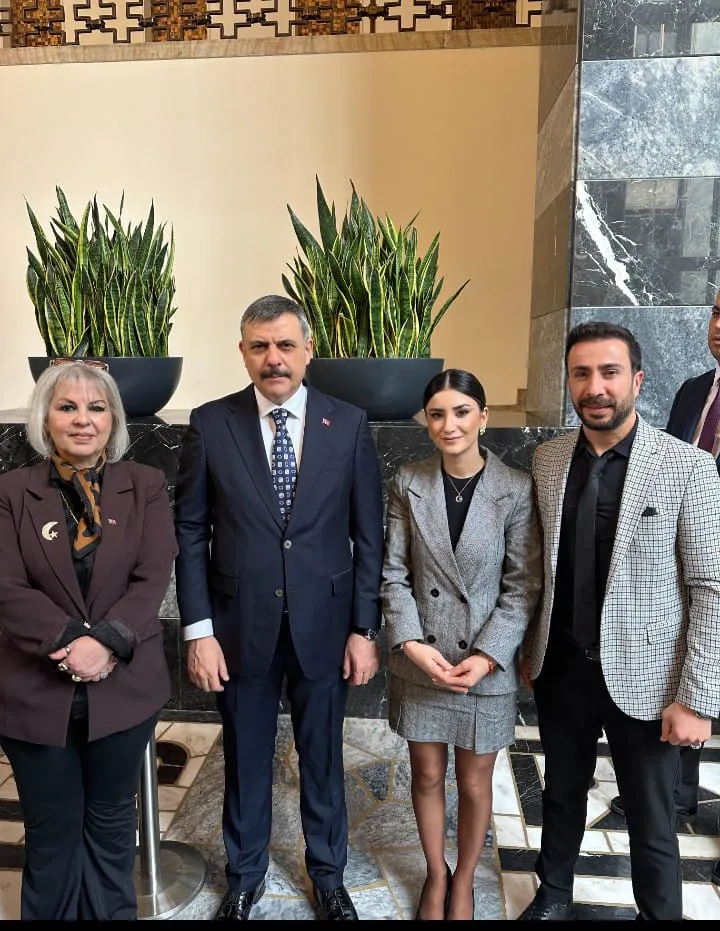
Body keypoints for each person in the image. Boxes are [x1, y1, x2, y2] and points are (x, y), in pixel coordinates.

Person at [173, 294, 384, 921]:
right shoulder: (212, 423)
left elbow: (368, 535)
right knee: (245, 756)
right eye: (260, 346)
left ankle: (329, 876)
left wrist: (364, 628)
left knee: (323, 757)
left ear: (308, 350)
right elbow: (191, 531)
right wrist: (199, 631)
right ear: (242, 353)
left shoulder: (348, 423)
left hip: (327, 626)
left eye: (286, 345)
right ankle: (245, 878)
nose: (274, 359)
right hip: (238, 628)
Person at [518, 322, 720, 921]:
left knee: (652, 817)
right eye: (581, 374)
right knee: (561, 793)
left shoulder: (686, 466)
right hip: (562, 667)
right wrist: (530, 649)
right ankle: (553, 894)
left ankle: (659, 914)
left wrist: (696, 699)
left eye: (609, 372)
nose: (595, 387)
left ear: (637, 380)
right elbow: (538, 568)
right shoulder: (548, 460)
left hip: (649, 678)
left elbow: (711, 588)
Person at [0, 359, 177, 920]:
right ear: (44, 418)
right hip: (32, 692)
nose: (83, 419)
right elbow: (5, 585)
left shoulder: (145, 485)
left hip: (124, 689)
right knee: (51, 831)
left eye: (96, 408)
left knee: (111, 824)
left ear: (113, 419)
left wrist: (105, 643)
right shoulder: (10, 492)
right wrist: (69, 641)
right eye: (67, 407)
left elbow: (153, 575)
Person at [381, 369, 542, 921]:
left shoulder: (515, 488)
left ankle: (465, 879)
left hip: (485, 666)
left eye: (461, 411)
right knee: (427, 775)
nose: (449, 425)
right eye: (437, 414)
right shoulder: (409, 481)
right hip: (421, 661)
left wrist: (487, 656)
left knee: (474, 783)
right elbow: (393, 574)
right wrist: (409, 643)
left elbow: (523, 585)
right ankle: (436, 873)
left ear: (483, 417)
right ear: (426, 422)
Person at [610, 291, 720, 888]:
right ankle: (676, 792)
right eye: (718, 312)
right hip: (686, 562)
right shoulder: (693, 391)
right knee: (684, 675)